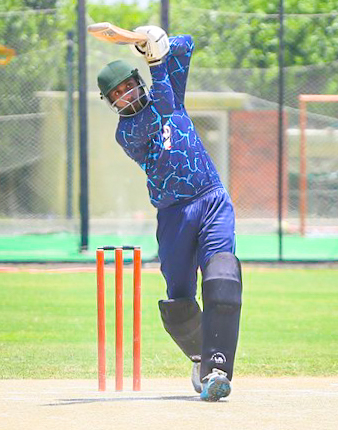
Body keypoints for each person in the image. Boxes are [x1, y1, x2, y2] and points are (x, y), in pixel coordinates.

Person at [97, 26, 242, 401]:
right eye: (116, 94)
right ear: (110, 103)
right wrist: (156, 63)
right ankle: (199, 357)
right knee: (179, 304)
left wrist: (154, 41)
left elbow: (187, 46)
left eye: (128, 87)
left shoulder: (167, 89)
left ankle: (217, 368)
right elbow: (161, 105)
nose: (126, 95)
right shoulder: (128, 131)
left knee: (222, 277)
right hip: (174, 215)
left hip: (211, 199)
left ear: (137, 82)